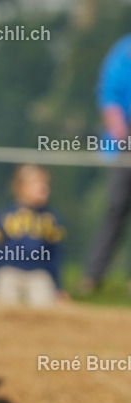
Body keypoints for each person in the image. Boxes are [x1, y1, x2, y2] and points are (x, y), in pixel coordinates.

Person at [82, 33, 131, 295]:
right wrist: (120, 131)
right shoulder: (125, 50)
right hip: (126, 139)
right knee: (116, 209)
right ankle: (93, 276)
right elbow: (110, 93)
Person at [0, 164, 66, 307]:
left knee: (43, 302)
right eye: (36, 184)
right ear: (20, 188)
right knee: (7, 297)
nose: (44, 189)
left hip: (39, 273)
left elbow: (56, 255)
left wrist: (59, 288)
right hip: (9, 271)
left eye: (45, 184)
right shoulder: (5, 216)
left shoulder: (51, 219)